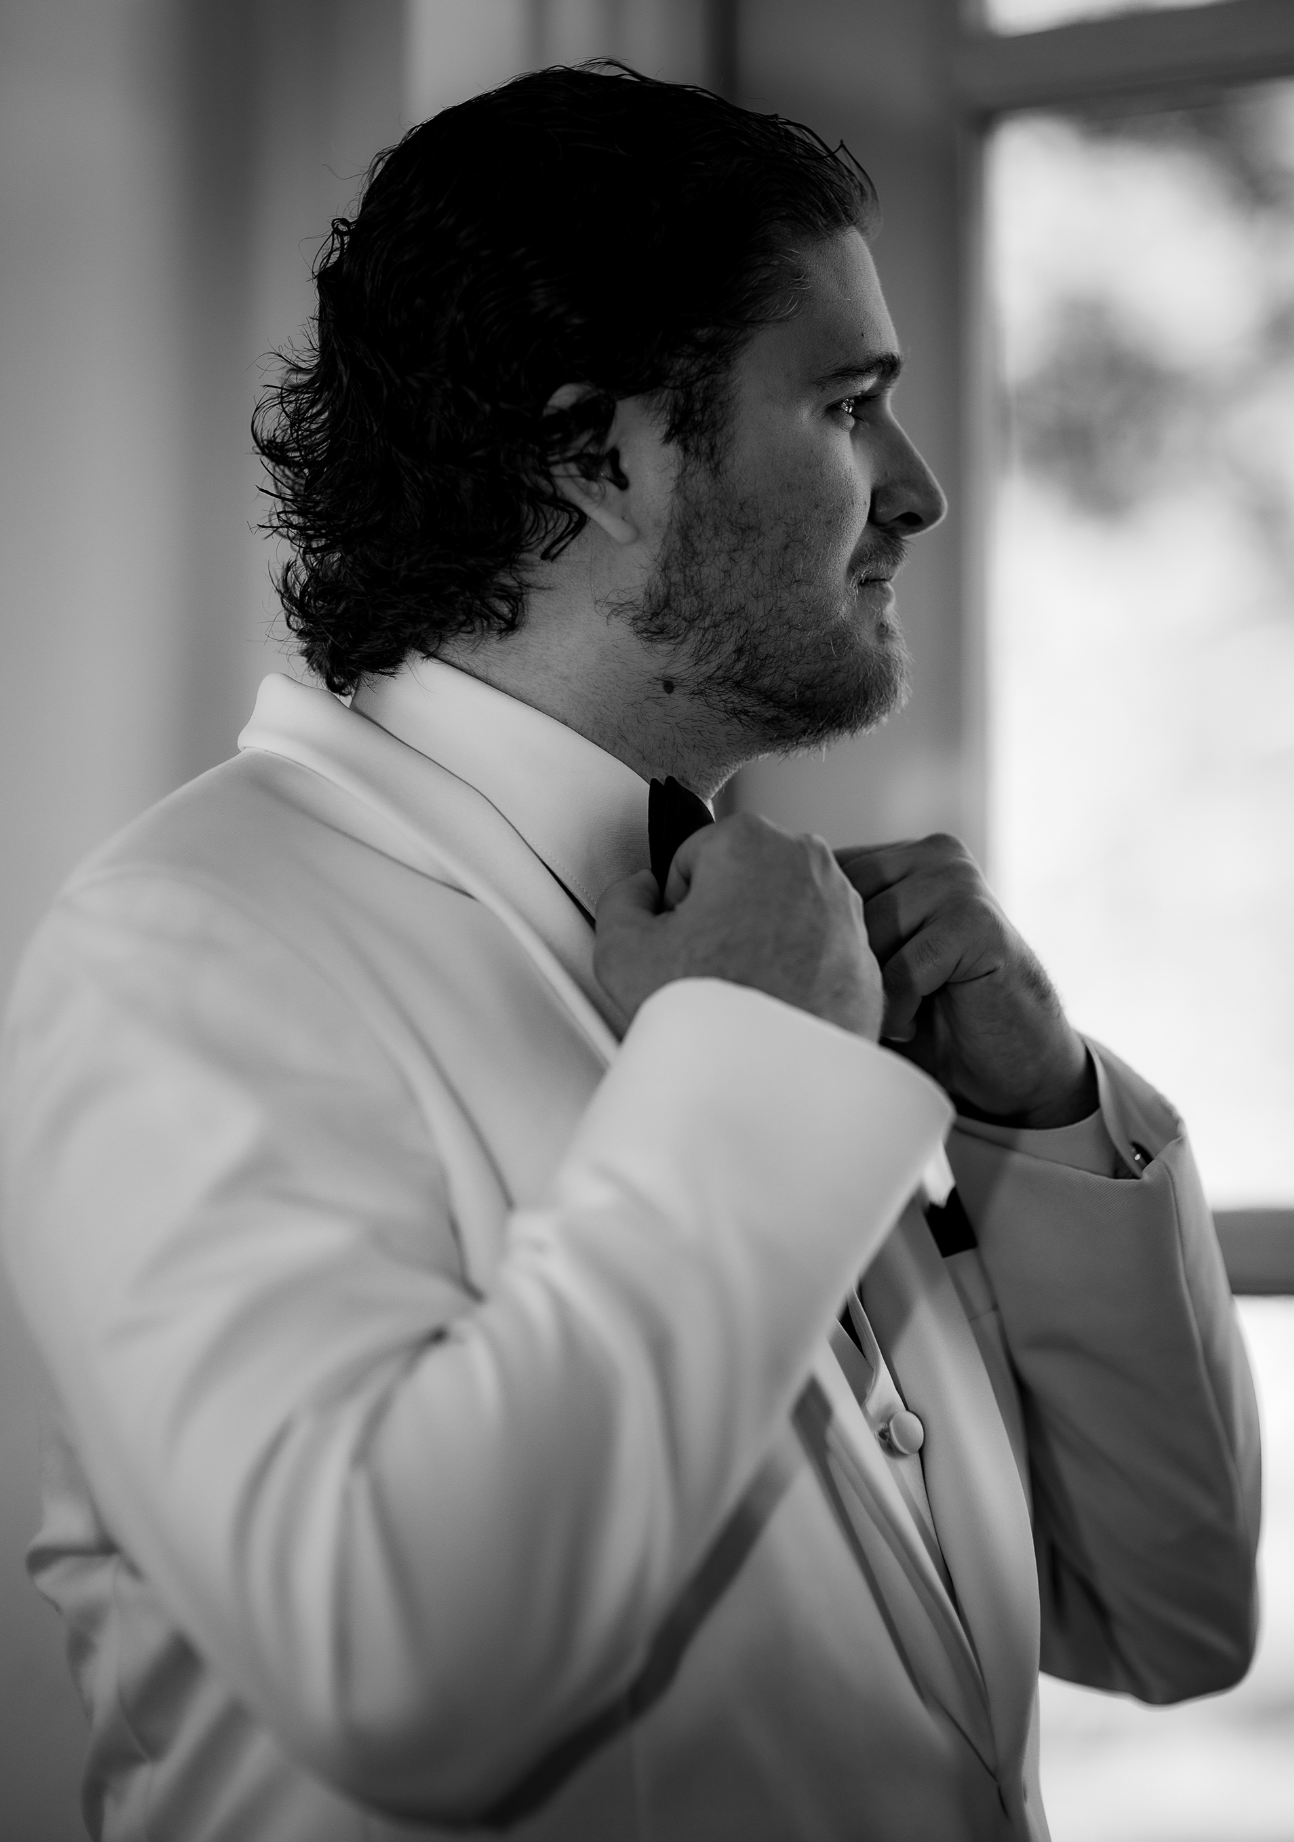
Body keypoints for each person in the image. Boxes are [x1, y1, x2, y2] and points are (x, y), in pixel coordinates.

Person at [0, 64, 1259, 1842]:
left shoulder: (802, 950)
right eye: (845, 405)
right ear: (590, 454)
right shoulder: (189, 942)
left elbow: (1171, 1615)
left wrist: (1043, 1116)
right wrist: (743, 1080)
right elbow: (396, 1664)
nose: (917, 493)